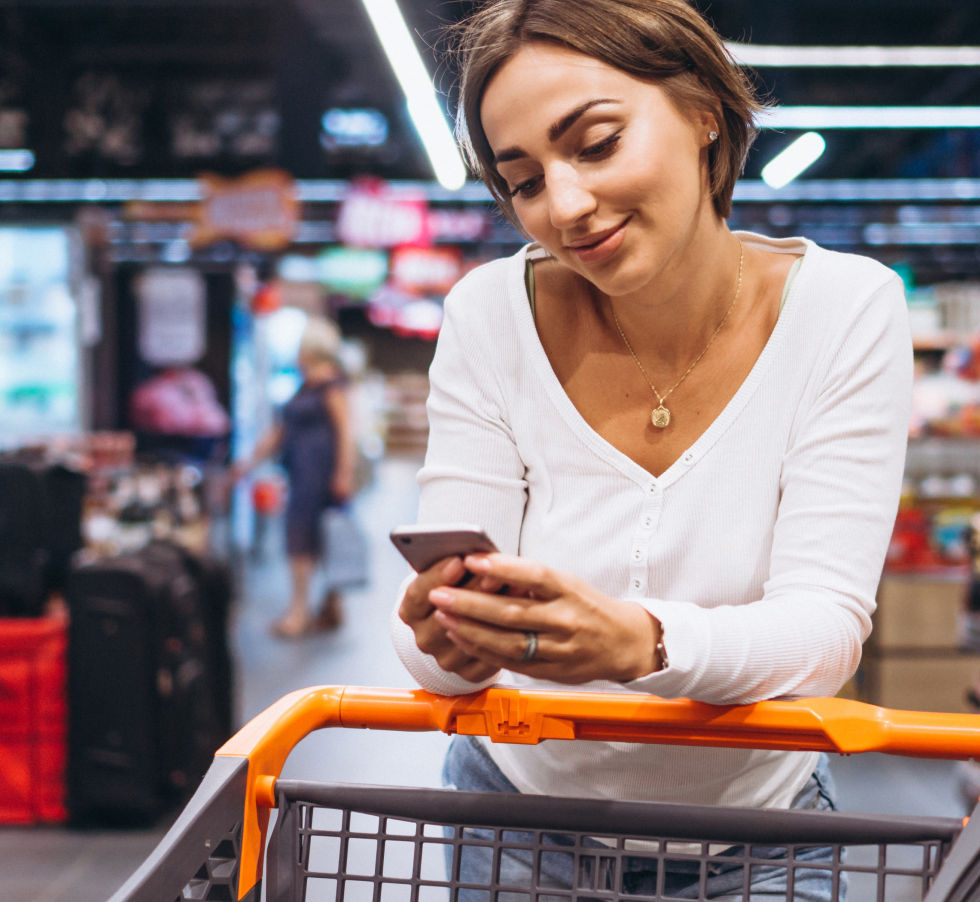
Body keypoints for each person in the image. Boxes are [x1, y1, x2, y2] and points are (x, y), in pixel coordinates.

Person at [389, 1, 912, 900]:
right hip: (516, 824)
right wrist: (451, 641)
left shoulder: (845, 308)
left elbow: (824, 630)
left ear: (704, 109)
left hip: (761, 836)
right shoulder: (488, 314)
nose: (566, 206)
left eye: (595, 144)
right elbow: (441, 626)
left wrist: (638, 642)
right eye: (522, 181)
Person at [235, 317, 355, 637]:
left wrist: (343, 474)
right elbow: (280, 431)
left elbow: (346, 432)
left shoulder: (331, 386)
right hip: (303, 472)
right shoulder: (307, 386)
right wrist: (249, 462)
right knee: (312, 538)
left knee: (313, 539)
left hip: (321, 475)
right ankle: (323, 607)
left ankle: (302, 612)